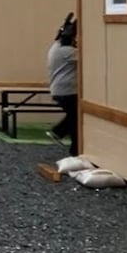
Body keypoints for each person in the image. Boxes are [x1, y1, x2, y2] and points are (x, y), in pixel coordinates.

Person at [47, 13, 79, 154]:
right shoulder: (67, 52)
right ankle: (58, 131)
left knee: (75, 120)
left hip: (60, 90)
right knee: (76, 117)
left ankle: (74, 149)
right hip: (67, 91)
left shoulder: (56, 47)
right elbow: (88, 55)